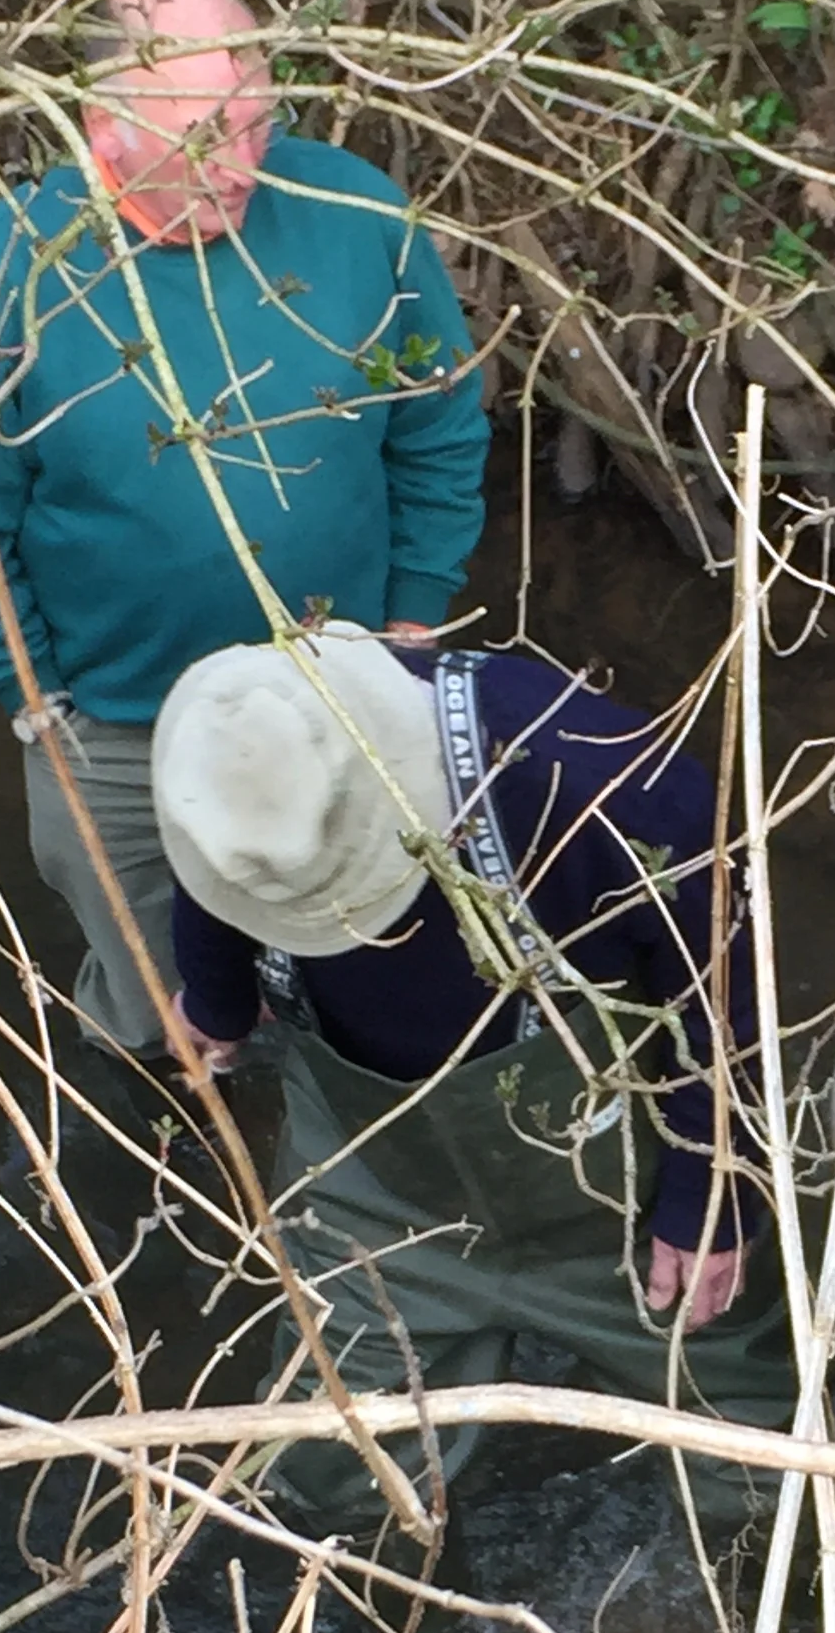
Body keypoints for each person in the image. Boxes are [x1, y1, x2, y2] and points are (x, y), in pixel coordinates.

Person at [0, 0, 488, 1055]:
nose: (241, 163)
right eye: (203, 137)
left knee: (363, 966)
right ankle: (169, 1147)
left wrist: (411, 621)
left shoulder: (357, 213)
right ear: (100, 129)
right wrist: (40, 705)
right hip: (118, 729)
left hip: (344, 687)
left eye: (257, 123)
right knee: (168, 1019)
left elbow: (437, 426)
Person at [154, 624, 796, 1532]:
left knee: (759, 1439)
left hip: (610, 1189)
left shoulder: (610, 785)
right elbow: (214, 880)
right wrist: (216, 1001)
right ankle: (377, 1615)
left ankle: (768, 1597)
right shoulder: (227, 758)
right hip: (369, 1184)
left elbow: (723, 1003)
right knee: (334, 1469)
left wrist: (712, 1198)